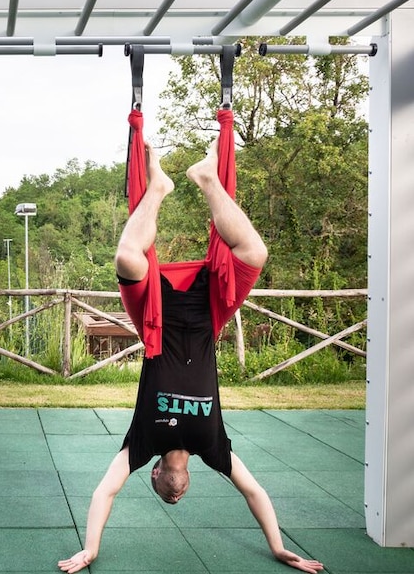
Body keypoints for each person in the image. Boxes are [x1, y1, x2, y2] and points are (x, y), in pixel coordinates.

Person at [58, 142, 324, 574]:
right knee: (255, 253)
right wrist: (278, 547)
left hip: (156, 314)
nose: (176, 494)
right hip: (207, 312)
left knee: (127, 257)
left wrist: (90, 550)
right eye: (180, 495)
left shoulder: (143, 445)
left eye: (169, 494)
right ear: (186, 479)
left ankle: (158, 187)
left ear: (154, 474)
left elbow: (104, 492)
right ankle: (208, 179)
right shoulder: (211, 447)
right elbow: (253, 492)